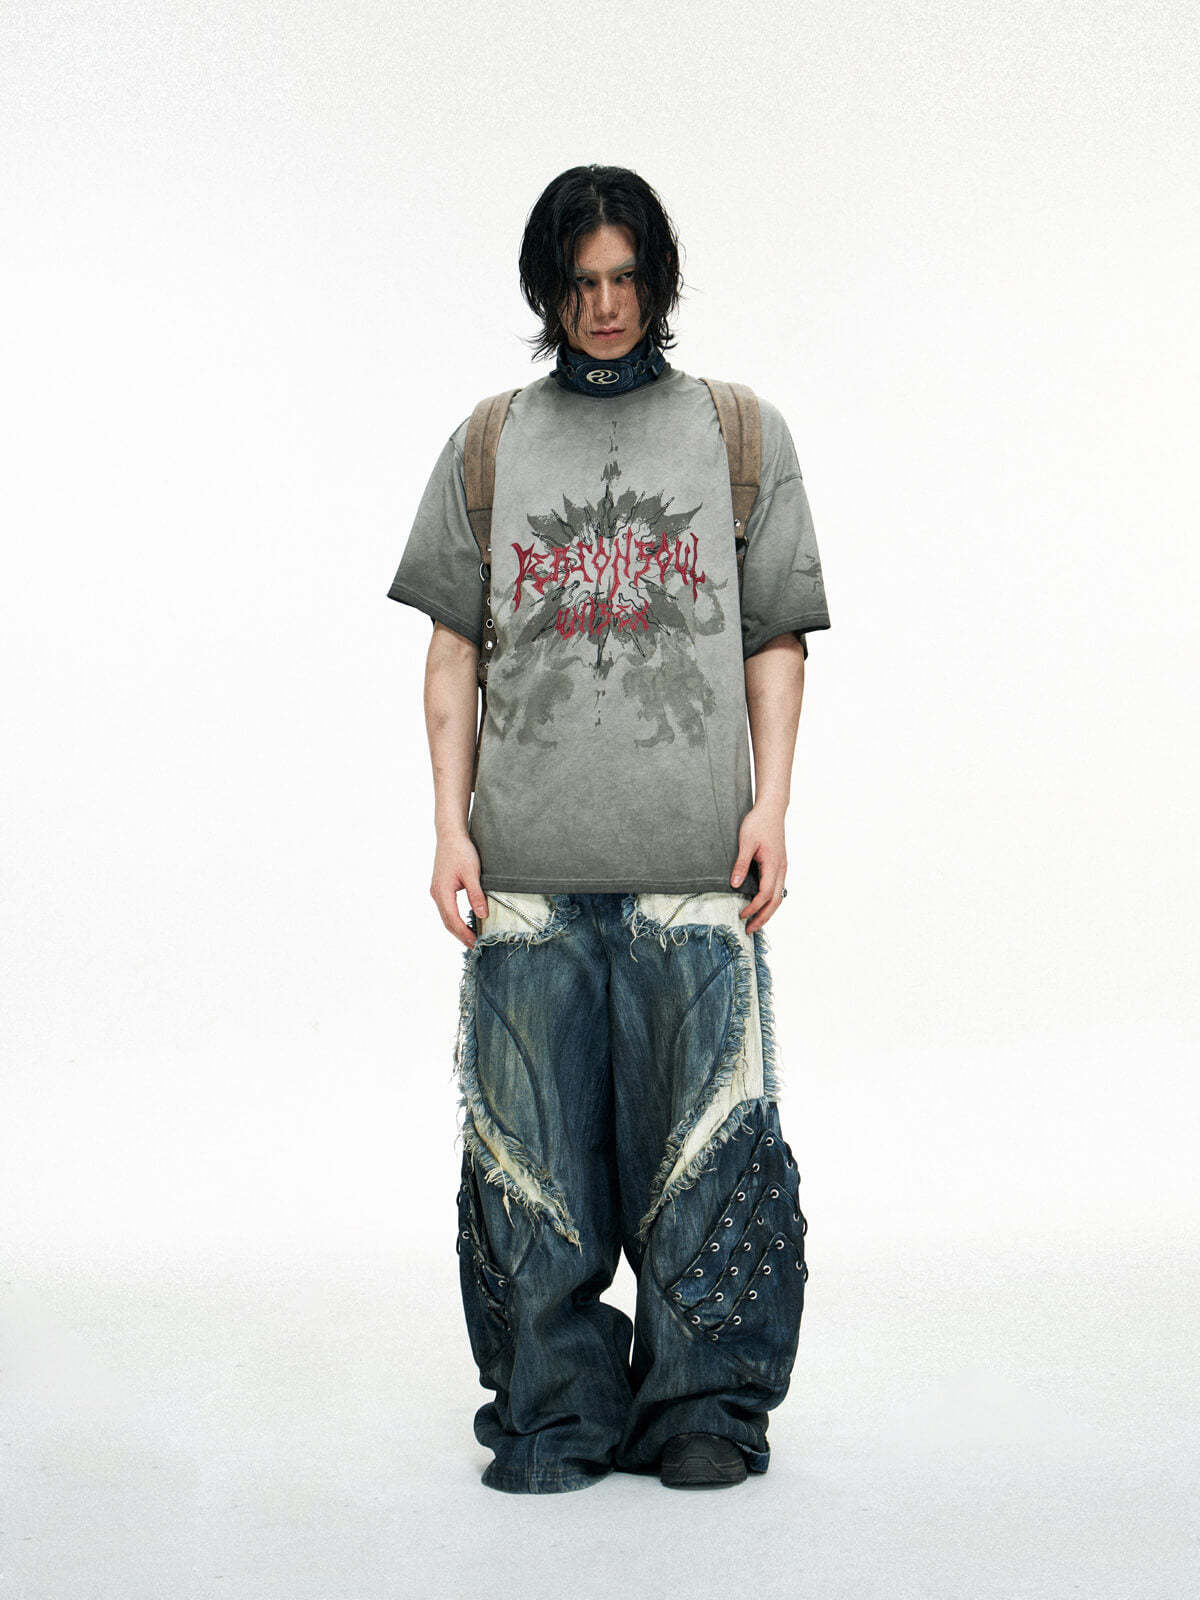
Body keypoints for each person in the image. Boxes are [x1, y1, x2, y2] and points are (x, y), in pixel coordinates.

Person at [386, 165, 831, 1494]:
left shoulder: (740, 434)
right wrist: (449, 829)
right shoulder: (488, 442)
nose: (605, 305)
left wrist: (773, 805)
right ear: (550, 289)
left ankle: (703, 1410)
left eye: (626, 278)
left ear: (659, 281)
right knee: (530, 1178)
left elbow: (776, 641)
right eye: (581, 282)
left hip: (692, 874)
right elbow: (452, 655)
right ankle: (556, 1410)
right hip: (526, 880)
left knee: (708, 1167)